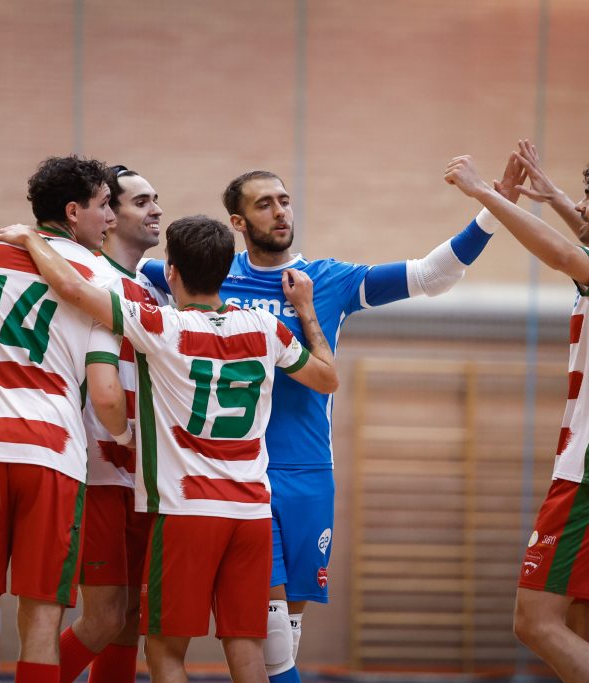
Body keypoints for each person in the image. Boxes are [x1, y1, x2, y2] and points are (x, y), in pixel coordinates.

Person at [140, 164, 525, 682]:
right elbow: (126, 271)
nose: (280, 211)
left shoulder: (328, 280)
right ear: (237, 221)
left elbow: (434, 275)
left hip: (307, 471)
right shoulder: (209, 276)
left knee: (284, 636)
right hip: (236, 476)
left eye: (284, 200)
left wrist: (491, 207)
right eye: (263, 204)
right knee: (268, 633)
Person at [0, 214, 339, 683]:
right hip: (253, 513)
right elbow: (327, 378)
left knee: (166, 652)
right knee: (249, 652)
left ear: (170, 271)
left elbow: (74, 290)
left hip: (187, 512)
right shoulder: (264, 328)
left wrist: (32, 240)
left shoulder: (159, 326)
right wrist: (309, 313)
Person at [444, 143, 589, 683]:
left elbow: (563, 255)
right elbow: (583, 238)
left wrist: (484, 193)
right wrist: (551, 196)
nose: (581, 207)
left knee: (534, 623)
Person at [0, 156, 128, 683]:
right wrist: (124, 433)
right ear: (73, 211)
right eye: (103, 205)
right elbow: (108, 395)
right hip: (50, 455)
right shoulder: (102, 279)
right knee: (41, 624)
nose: (110, 217)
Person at [58, 165, 170, 683]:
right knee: (102, 618)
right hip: (98, 471)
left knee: (128, 622)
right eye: (141, 201)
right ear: (108, 213)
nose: (156, 210)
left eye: (156, 200)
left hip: (145, 478)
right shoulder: (83, 276)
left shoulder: (154, 290)